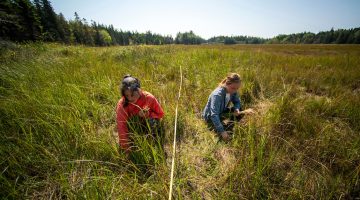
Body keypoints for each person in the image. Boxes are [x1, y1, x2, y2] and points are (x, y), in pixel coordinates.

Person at [116, 75, 164, 153]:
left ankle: (152, 141)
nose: (130, 98)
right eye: (127, 96)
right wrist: (126, 147)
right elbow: (121, 126)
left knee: (152, 121)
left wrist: (148, 114)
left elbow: (160, 114)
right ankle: (134, 141)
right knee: (130, 124)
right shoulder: (122, 104)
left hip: (148, 125)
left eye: (132, 95)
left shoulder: (149, 98)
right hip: (133, 128)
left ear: (139, 89)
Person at [202, 73, 255, 141]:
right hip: (210, 118)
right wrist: (222, 132)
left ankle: (228, 128)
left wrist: (236, 109)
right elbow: (214, 115)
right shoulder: (217, 95)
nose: (235, 91)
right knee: (221, 133)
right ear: (227, 83)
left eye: (237, 89)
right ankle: (222, 130)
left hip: (221, 112)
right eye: (233, 88)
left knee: (241, 110)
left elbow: (237, 102)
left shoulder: (232, 91)